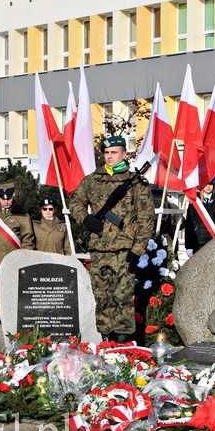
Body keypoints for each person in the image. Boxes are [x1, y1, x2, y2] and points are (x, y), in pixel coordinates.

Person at [70, 135, 155, 344]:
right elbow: (75, 201)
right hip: (99, 250)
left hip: (123, 251)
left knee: (123, 300)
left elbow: (146, 218)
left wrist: (137, 250)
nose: (109, 156)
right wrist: (86, 219)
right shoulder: (92, 180)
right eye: (106, 153)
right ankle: (106, 343)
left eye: (114, 152)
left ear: (124, 154)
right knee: (102, 299)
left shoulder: (135, 182)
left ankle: (125, 346)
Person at [0, 182, 35, 325]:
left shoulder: (22, 214)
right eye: (3, 198)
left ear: (13, 197)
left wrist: (26, 257)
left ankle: (15, 314)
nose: (6, 201)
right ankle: (0, 315)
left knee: (14, 288)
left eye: (9, 198)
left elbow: (28, 237)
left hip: (14, 259)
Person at [184, 181, 215, 253]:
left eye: (210, 184)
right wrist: (189, 246)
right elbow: (189, 224)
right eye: (206, 184)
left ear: (214, 186)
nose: (208, 186)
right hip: (198, 242)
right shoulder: (195, 201)